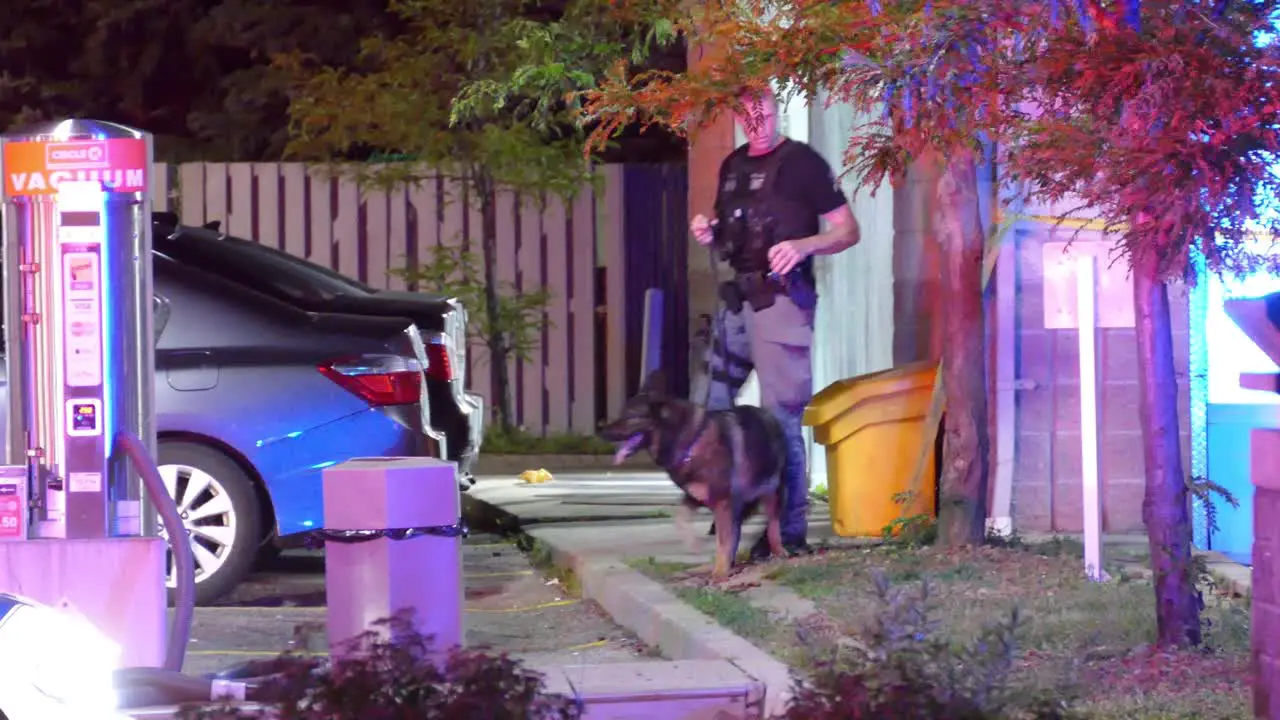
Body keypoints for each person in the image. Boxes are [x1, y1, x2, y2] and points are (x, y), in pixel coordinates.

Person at [691, 87, 861, 560]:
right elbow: (731, 230)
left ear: (775, 112)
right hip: (740, 298)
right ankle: (731, 512)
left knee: (781, 413)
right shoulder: (733, 167)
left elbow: (848, 230)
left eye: (764, 112)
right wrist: (709, 229)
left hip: (784, 300)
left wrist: (803, 246)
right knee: (715, 406)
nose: (758, 121)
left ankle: (789, 532)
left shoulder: (803, 164)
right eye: (748, 114)